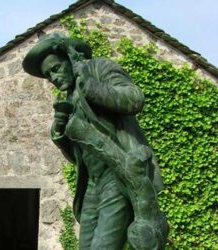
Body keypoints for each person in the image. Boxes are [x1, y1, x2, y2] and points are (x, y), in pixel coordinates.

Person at [22, 33, 168, 249]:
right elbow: (78, 156)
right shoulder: (70, 97)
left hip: (118, 172)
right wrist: (61, 133)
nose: (53, 78)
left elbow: (134, 98)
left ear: (70, 59)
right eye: (48, 76)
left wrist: (90, 87)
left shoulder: (99, 68)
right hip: (91, 182)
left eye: (56, 68)